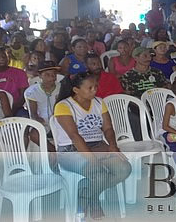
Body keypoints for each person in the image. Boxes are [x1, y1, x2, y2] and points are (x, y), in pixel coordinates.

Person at [53, 73, 132, 220]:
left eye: (96, 86)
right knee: (98, 173)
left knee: (124, 169)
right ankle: (94, 203)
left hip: (97, 146)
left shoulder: (99, 102)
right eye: (90, 88)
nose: (94, 90)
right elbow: (74, 136)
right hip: (71, 150)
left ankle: (84, 195)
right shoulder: (63, 106)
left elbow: (108, 128)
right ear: (76, 90)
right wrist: (91, 158)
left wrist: (113, 147)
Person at [0, 46, 29, 116]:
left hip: (15, 108)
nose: (2, 59)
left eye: (4, 56)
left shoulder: (19, 73)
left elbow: (23, 96)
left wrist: (11, 110)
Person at [25, 62, 62, 133]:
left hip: (59, 121)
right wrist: (40, 121)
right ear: (40, 75)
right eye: (47, 75)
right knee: (34, 134)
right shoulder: (32, 91)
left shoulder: (62, 88)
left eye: (54, 74)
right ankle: (49, 144)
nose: (51, 77)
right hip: (42, 122)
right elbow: (33, 114)